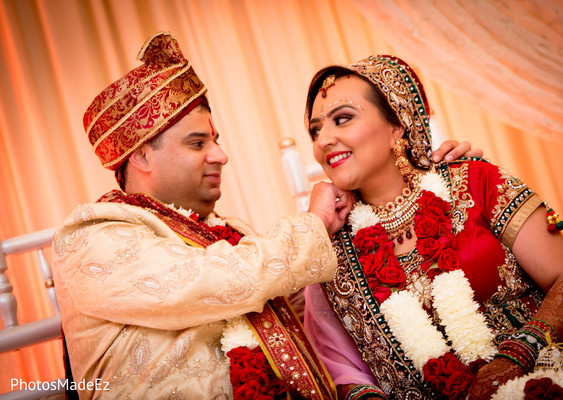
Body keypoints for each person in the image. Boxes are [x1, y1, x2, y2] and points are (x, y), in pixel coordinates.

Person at [51, 33, 476, 399]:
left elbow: (319, 306)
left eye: (215, 140)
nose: (221, 155)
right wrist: (313, 224)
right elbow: (216, 280)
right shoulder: (91, 235)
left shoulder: (229, 235)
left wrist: (437, 189)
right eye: (198, 143)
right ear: (142, 155)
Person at [302, 55, 563, 400]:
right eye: (315, 130)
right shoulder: (334, 255)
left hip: (554, 378)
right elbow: (344, 374)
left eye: (343, 119)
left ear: (397, 126)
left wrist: (514, 359)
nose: (323, 140)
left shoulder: (473, 181)